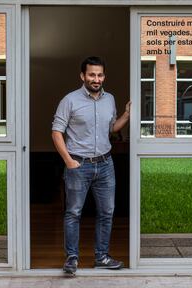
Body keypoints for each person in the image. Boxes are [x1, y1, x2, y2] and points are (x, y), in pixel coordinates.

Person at [51, 56, 131, 274]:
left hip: (105, 164)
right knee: (74, 212)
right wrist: (69, 161)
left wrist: (127, 114)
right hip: (79, 164)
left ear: (104, 76)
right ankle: (72, 258)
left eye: (100, 75)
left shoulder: (110, 99)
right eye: (92, 74)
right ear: (83, 76)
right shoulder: (70, 100)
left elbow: (112, 128)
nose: (96, 79)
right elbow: (56, 132)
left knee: (107, 212)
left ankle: (102, 257)